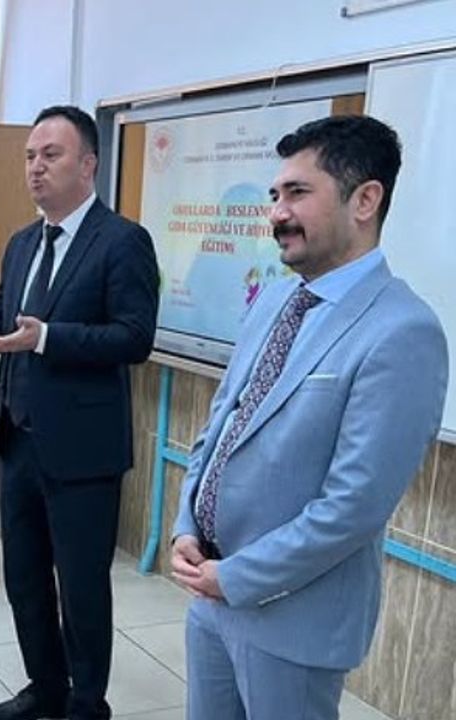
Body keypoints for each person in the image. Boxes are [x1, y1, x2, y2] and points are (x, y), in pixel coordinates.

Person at [169, 115, 447, 720]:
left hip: (293, 621)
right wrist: (187, 524)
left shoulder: (403, 332)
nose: (276, 213)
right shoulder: (275, 298)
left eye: (297, 193)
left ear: (365, 200)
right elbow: (221, 426)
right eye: (275, 194)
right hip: (210, 596)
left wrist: (235, 577)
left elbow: (352, 508)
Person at [0, 105, 159, 720]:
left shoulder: (122, 241)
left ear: (88, 164)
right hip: (20, 439)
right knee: (25, 578)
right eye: (30, 156)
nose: (35, 167)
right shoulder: (22, 243)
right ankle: (46, 687)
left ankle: (87, 703)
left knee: (81, 586)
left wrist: (49, 338)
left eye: (50, 155)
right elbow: (6, 319)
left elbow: (134, 337)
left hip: (83, 448)